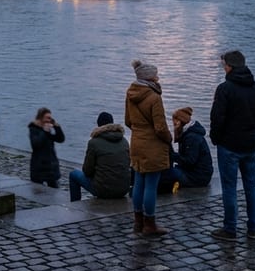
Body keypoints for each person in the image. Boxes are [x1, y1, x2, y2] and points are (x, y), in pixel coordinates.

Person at [210, 50, 255, 241]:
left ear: (229, 67)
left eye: (223, 65)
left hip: (229, 145)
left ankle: (230, 228)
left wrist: (216, 137)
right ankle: (253, 227)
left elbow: (217, 118)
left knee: (229, 187)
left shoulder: (225, 89)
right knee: (251, 185)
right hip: (251, 144)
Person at [125, 59, 172, 236]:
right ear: (151, 79)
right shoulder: (154, 97)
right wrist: (169, 138)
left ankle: (138, 222)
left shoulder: (130, 94)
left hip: (136, 141)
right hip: (152, 144)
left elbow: (127, 120)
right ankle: (150, 223)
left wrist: (139, 131)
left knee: (138, 182)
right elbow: (160, 127)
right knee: (151, 184)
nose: (158, 78)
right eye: (156, 75)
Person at [68, 111, 130, 202]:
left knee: (73, 175)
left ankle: (75, 204)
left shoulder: (94, 142)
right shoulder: (124, 141)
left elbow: (87, 171)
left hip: (102, 190)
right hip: (123, 189)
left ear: (98, 125)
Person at [163, 106, 214, 190]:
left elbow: (189, 161)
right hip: (199, 174)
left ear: (179, 122)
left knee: (165, 173)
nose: (173, 125)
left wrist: (172, 155)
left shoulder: (191, 138)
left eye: (174, 122)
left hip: (197, 178)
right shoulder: (189, 134)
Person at [28, 107, 65, 187]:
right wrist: (45, 131)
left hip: (51, 165)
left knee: (54, 191)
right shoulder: (33, 129)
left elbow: (60, 139)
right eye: (47, 118)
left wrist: (56, 127)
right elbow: (35, 144)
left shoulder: (48, 128)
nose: (49, 120)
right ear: (40, 118)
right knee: (37, 191)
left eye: (50, 118)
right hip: (39, 165)